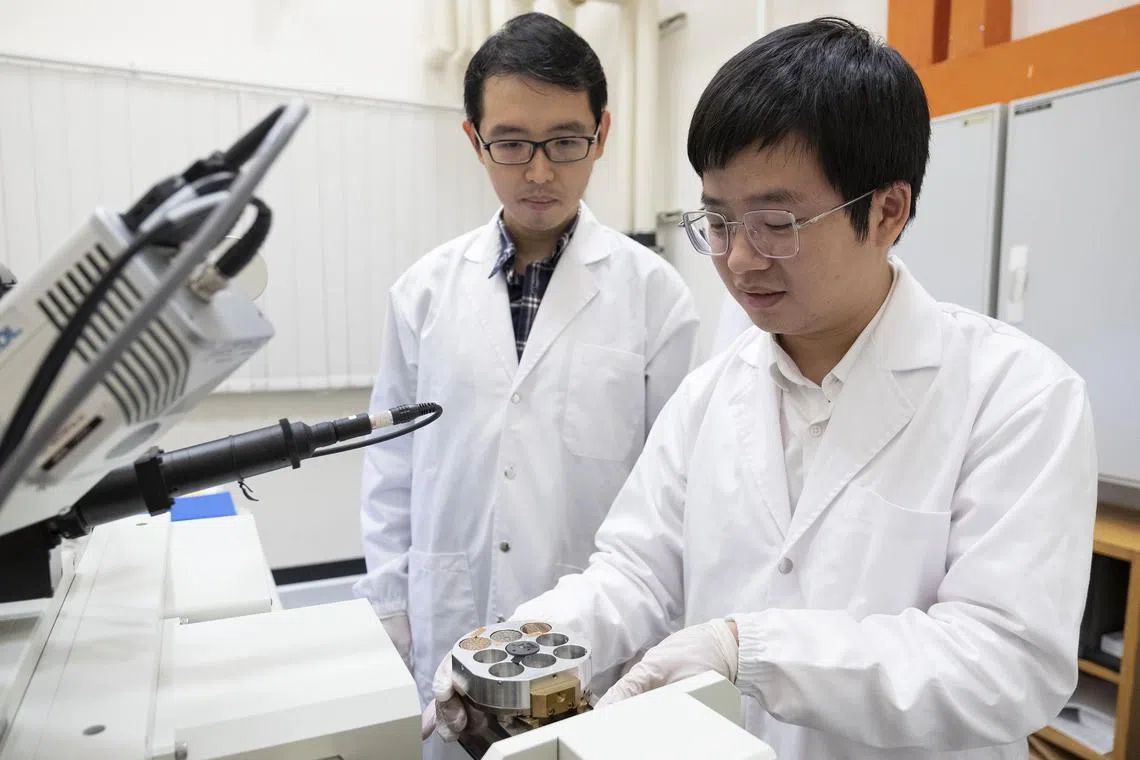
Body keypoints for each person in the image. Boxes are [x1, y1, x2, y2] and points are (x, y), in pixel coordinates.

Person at [425, 17, 1098, 759]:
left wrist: (751, 650)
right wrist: (524, 646)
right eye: (716, 220)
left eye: (777, 223)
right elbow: (636, 572)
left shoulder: (1017, 397)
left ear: (888, 210)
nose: (741, 260)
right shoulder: (713, 395)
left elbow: (1005, 664)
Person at [353, 11, 700, 756]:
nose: (540, 171)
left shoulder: (656, 296)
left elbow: (677, 492)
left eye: (565, 142)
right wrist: (389, 604)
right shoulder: (422, 293)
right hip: (453, 610)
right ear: (474, 140)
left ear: (601, 135)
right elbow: (391, 468)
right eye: (511, 143)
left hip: (598, 645)